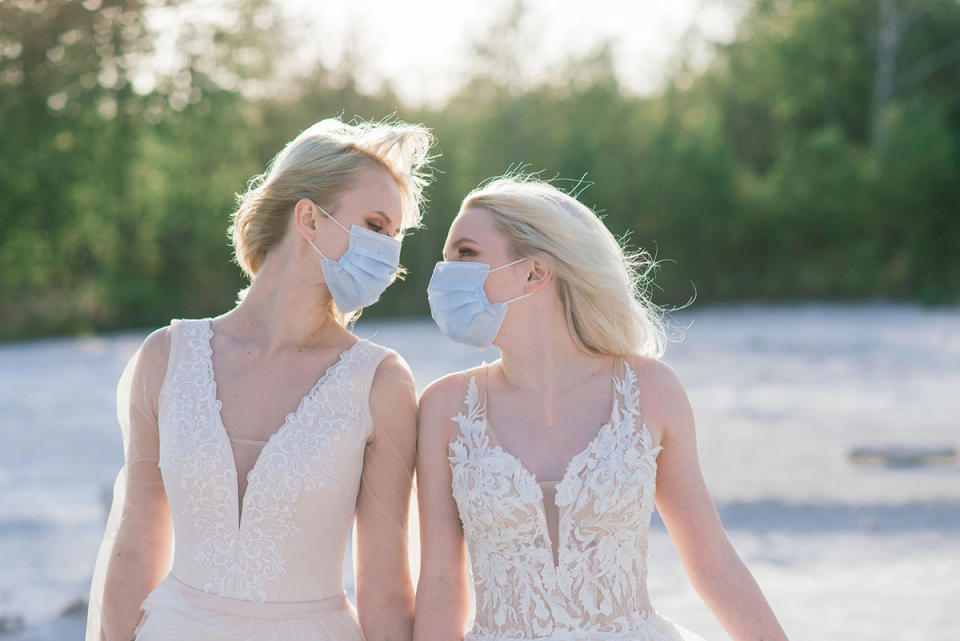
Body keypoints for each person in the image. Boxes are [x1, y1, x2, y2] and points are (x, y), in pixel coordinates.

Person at [85, 117, 433, 641]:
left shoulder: (380, 383)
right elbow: (134, 545)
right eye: (377, 225)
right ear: (309, 220)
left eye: (396, 235)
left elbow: (385, 588)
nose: (391, 252)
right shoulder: (167, 356)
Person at [415, 176, 789, 641]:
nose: (445, 274)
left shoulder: (651, 391)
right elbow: (439, 583)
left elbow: (711, 561)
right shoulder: (443, 408)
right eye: (447, 258)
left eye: (465, 254)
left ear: (535, 271)